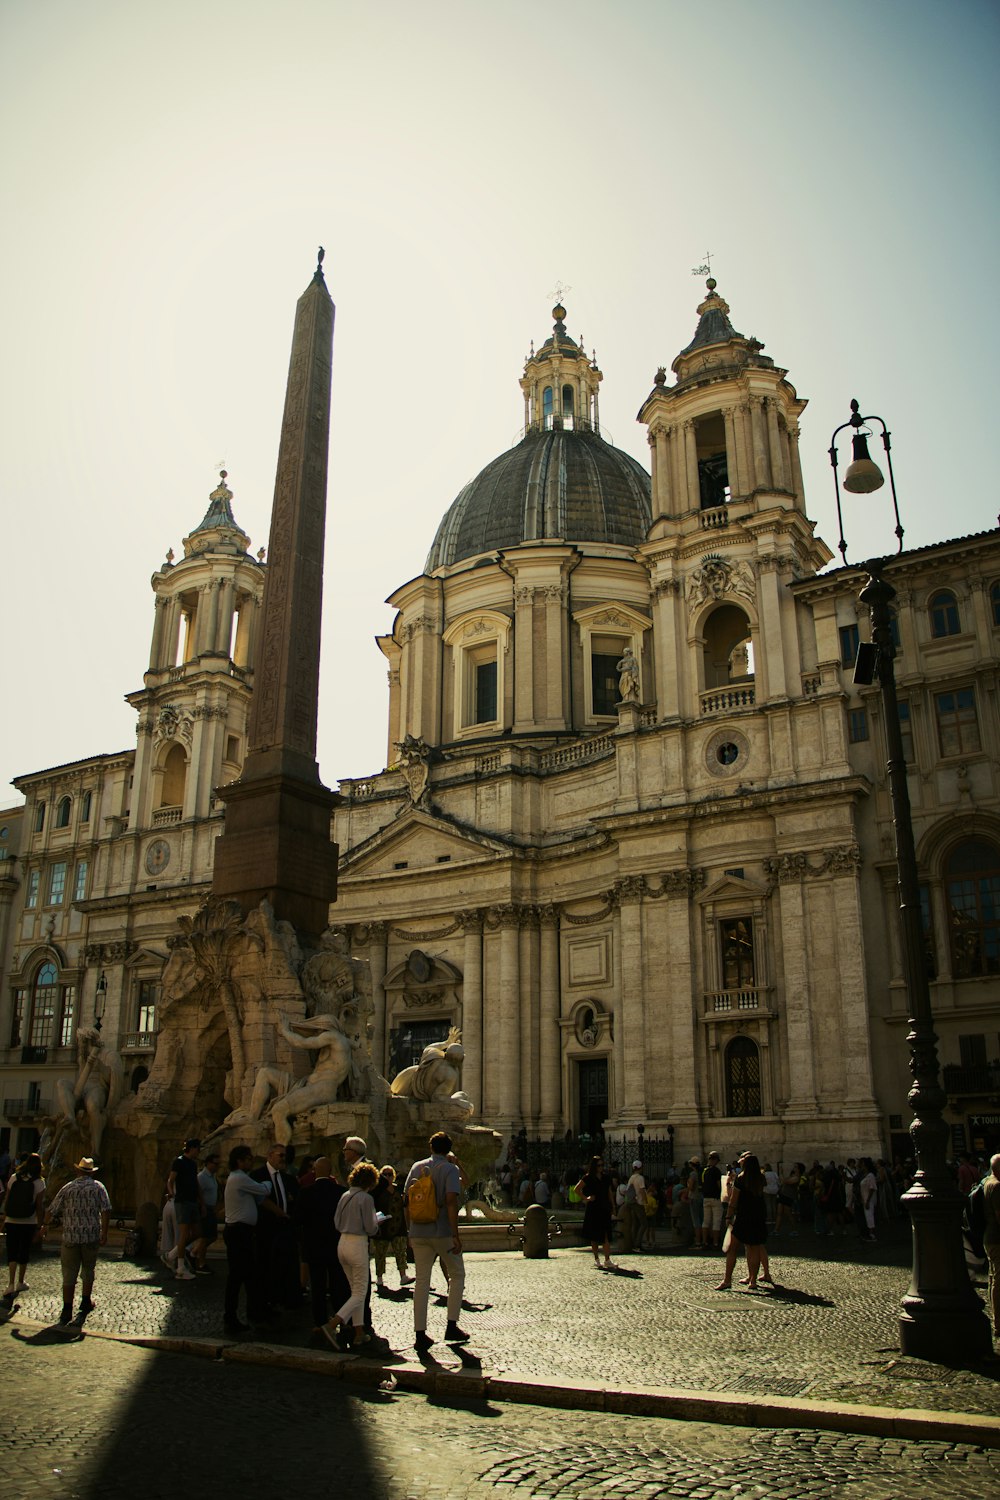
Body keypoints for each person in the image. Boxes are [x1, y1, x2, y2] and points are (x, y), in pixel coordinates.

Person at [404, 1131, 468, 1352]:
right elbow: (451, 1202)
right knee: (457, 1274)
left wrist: (409, 1231)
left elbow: (406, 1200)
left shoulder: (416, 1167)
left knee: (422, 1282)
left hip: (418, 1232)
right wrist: (455, 1234)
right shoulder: (450, 1169)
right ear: (448, 1149)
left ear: (430, 1147)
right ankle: (451, 1326)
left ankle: (420, 1334)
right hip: (441, 1231)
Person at [42, 1156, 111, 1325]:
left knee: (69, 1273)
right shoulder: (98, 1187)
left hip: (70, 1236)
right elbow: (106, 1209)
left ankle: (66, 1309)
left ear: (78, 1171)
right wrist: (105, 1232)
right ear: (92, 1172)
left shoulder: (68, 1187)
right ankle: (85, 1302)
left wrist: (44, 1225)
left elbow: (52, 1209)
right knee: (88, 1270)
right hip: (90, 1236)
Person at [323, 1161, 380, 1350]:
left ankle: (358, 1333)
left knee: (355, 1290)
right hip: (357, 1245)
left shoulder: (345, 1195)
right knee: (360, 1292)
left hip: (342, 1243)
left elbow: (336, 1222)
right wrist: (378, 1221)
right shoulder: (366, 1198)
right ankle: (332, 1325)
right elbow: (371, 1228)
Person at [295, 1155, 350, 1335]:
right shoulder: (340, 1192)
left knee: (317, 1287)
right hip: (335, 1244)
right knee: (338, 1285)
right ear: (331, 1172)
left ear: (314, 1172)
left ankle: (319, 1323)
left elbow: (299, 1220)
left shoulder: (305, 1192)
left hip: (313, 1246)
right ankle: (340, 1319)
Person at [222, 1144, 274, 1333]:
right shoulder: (239, 1178)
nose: (252, 1161)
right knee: (238, 1277)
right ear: (240, 1161)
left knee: (247, 1276)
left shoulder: (239, 1178)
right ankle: (232, 1317)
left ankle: (254, 1312)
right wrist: (268, 1182)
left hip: (240, 1233)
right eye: (248, 1158)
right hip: (238, 1234)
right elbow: (264, 1190)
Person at [251, 1143, 299, 1308]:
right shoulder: (257, 1175)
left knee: (283, 1264)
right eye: (280, 1155)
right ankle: (264, 1300)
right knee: (264, 1263)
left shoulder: (287, 1178)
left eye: (284, 1155)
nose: (283, 1159)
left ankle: (281, 1297)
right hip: (265, 1227)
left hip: (285, 1227)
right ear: (270, 1155)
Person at [717, 1153, 767, 1290]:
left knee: (732, 1249)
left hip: (743, 1216)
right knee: (754, 1248)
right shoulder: (761, 1178)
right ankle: (753, 1281)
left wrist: (728, 1215)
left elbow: (733, 1200)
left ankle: (727, 1280)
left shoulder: (741, 1178)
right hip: (758, 1216)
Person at [2, 1152, 45, 1302]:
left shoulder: (14, 1177)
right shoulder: (39, 1182)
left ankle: (10, 1284)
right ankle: (21, 1281)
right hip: (28, 1221)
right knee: (24, 1251)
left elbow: (7, 1199)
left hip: (11, 1220)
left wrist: (4, 1218)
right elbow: (39, 1206)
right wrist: (40, 1225)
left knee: (12, 1251)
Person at [164, 1138, 204, 1281]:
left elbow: (195, 1183)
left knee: (198, 1232)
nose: (199, 1151)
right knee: (184, 1234)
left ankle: (171, 1255)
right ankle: (180, 1268)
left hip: (192, 1201)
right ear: (192, 1148)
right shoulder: (179, 1161)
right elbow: (171, 1179)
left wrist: (201, 1201)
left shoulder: (193, 1164)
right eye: (198, 1148)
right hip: (182, 1201)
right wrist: (171, 1192)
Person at [372, 1165, 411, 1293]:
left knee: (401, 1251)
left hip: (399, 1225)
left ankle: (403, 1275)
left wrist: (408, 1225)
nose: (388, 1177)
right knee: (380, 1253)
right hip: (383, 1226)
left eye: (390, 1174)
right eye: (385, 1174)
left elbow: (405, 1207)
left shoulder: (399, 1190)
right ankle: (379, 1277)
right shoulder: (377, 1191)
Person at [575, 1154, 616, 1269]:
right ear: (594, 1166)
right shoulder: (587, 1178)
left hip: (604, 1207)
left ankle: (607, 1259)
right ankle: (597, 1258)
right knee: (594, 1236)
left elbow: (609, 1193)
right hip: (593, 1208)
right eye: (599, 1165)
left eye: (602, 1165)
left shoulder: (606, 1178)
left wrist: (613, 1206)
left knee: (606, 1234)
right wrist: (586, 1198)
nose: (601, 1167)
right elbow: (577, 1189)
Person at [192, 1151, 221, 1273]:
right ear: (208, 1163)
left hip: (211, 1208)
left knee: (211, 1236)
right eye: (215, 1164)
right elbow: (197, 1194)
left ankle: (194, 1253)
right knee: (206, 1237)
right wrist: (202, 1206)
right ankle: (200, 1263)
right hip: (205, 1209)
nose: (217, 1166)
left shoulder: (212, 1176)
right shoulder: (202, 1177)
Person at [982, 1153, 1000, 1339]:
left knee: (993, 1278)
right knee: (998, 1280)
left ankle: (996, 1318)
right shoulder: (997, 1186)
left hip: (989, 1236)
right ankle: (998, 1323)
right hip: (997, 1237)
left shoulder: (987, 1181)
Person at [701, 1152, 724, 1251]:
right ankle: (715, 1243)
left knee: (706, 1222)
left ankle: (705, 1242)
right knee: (716, 1222)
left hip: (706, 1197)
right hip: (715, 1198)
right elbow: (719, 1185)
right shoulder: (716, 1171)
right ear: (715, 1160)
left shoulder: (704, 1171)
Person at [625, 1160, 647, 1251]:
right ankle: (637, 1245)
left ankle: (634, 1243)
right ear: (641, 1168)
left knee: (635, 1223)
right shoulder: (640, 1178)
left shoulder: (631, 1178)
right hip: (638, 1202)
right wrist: (646, 1201)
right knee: (644, 1223)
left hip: (631, 1203)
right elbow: (642, 1191)